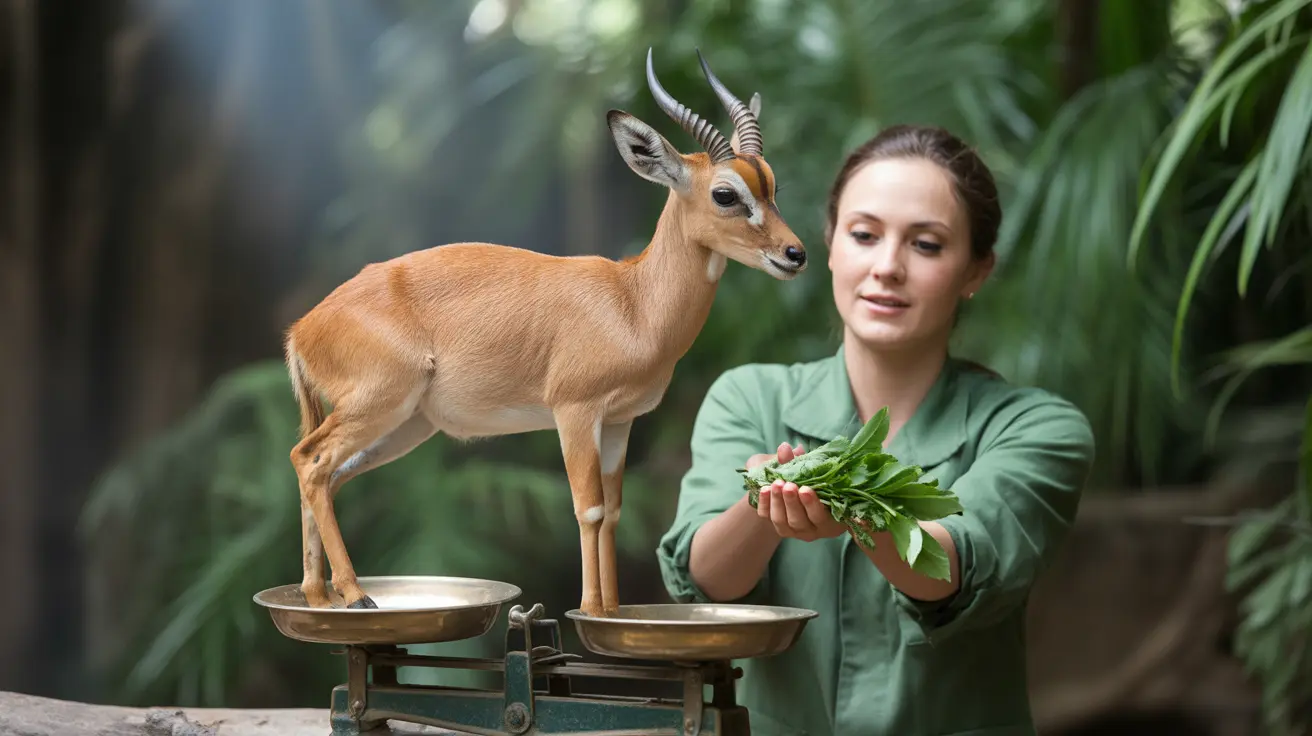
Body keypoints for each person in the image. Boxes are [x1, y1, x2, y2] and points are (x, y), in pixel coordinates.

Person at [655, 124, 1096, 736]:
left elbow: (957, 569)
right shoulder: (749, 397)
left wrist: (854, 505)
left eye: (928, 245)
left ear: (977, 269)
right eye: (864, 235)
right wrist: (764, 501)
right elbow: (706, 582)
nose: (887, 267)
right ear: (832, 245)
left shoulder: (1038, 429)